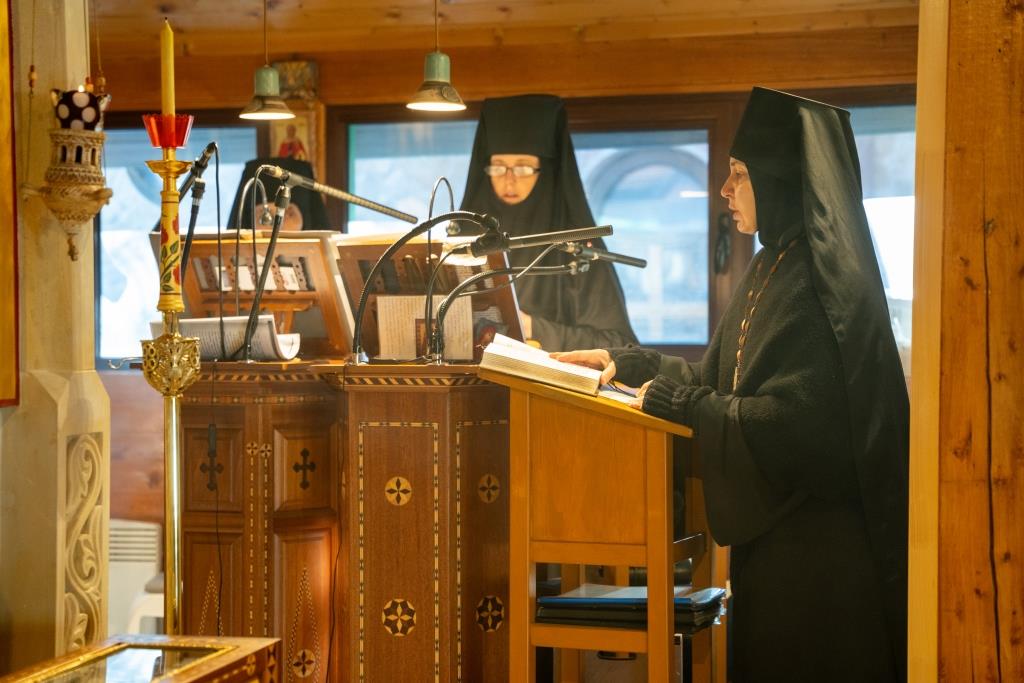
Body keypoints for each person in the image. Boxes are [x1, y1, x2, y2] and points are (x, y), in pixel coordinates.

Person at [553, 87, 909, 682]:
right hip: (776, 545)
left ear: (782, 178)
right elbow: (720, 380)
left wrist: (679, 403)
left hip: (822, 560)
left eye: (739, 174)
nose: (724, 190)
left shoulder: (822, 284)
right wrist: (626, 363)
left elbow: (799, 427)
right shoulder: (772, 263)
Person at [460, 94, 638, 351]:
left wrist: (533, 327)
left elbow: (621, 346)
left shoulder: (577, 245)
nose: (509, 180)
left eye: (522, 168)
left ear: (548, 172)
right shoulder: (466, 237)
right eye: (498, 167)